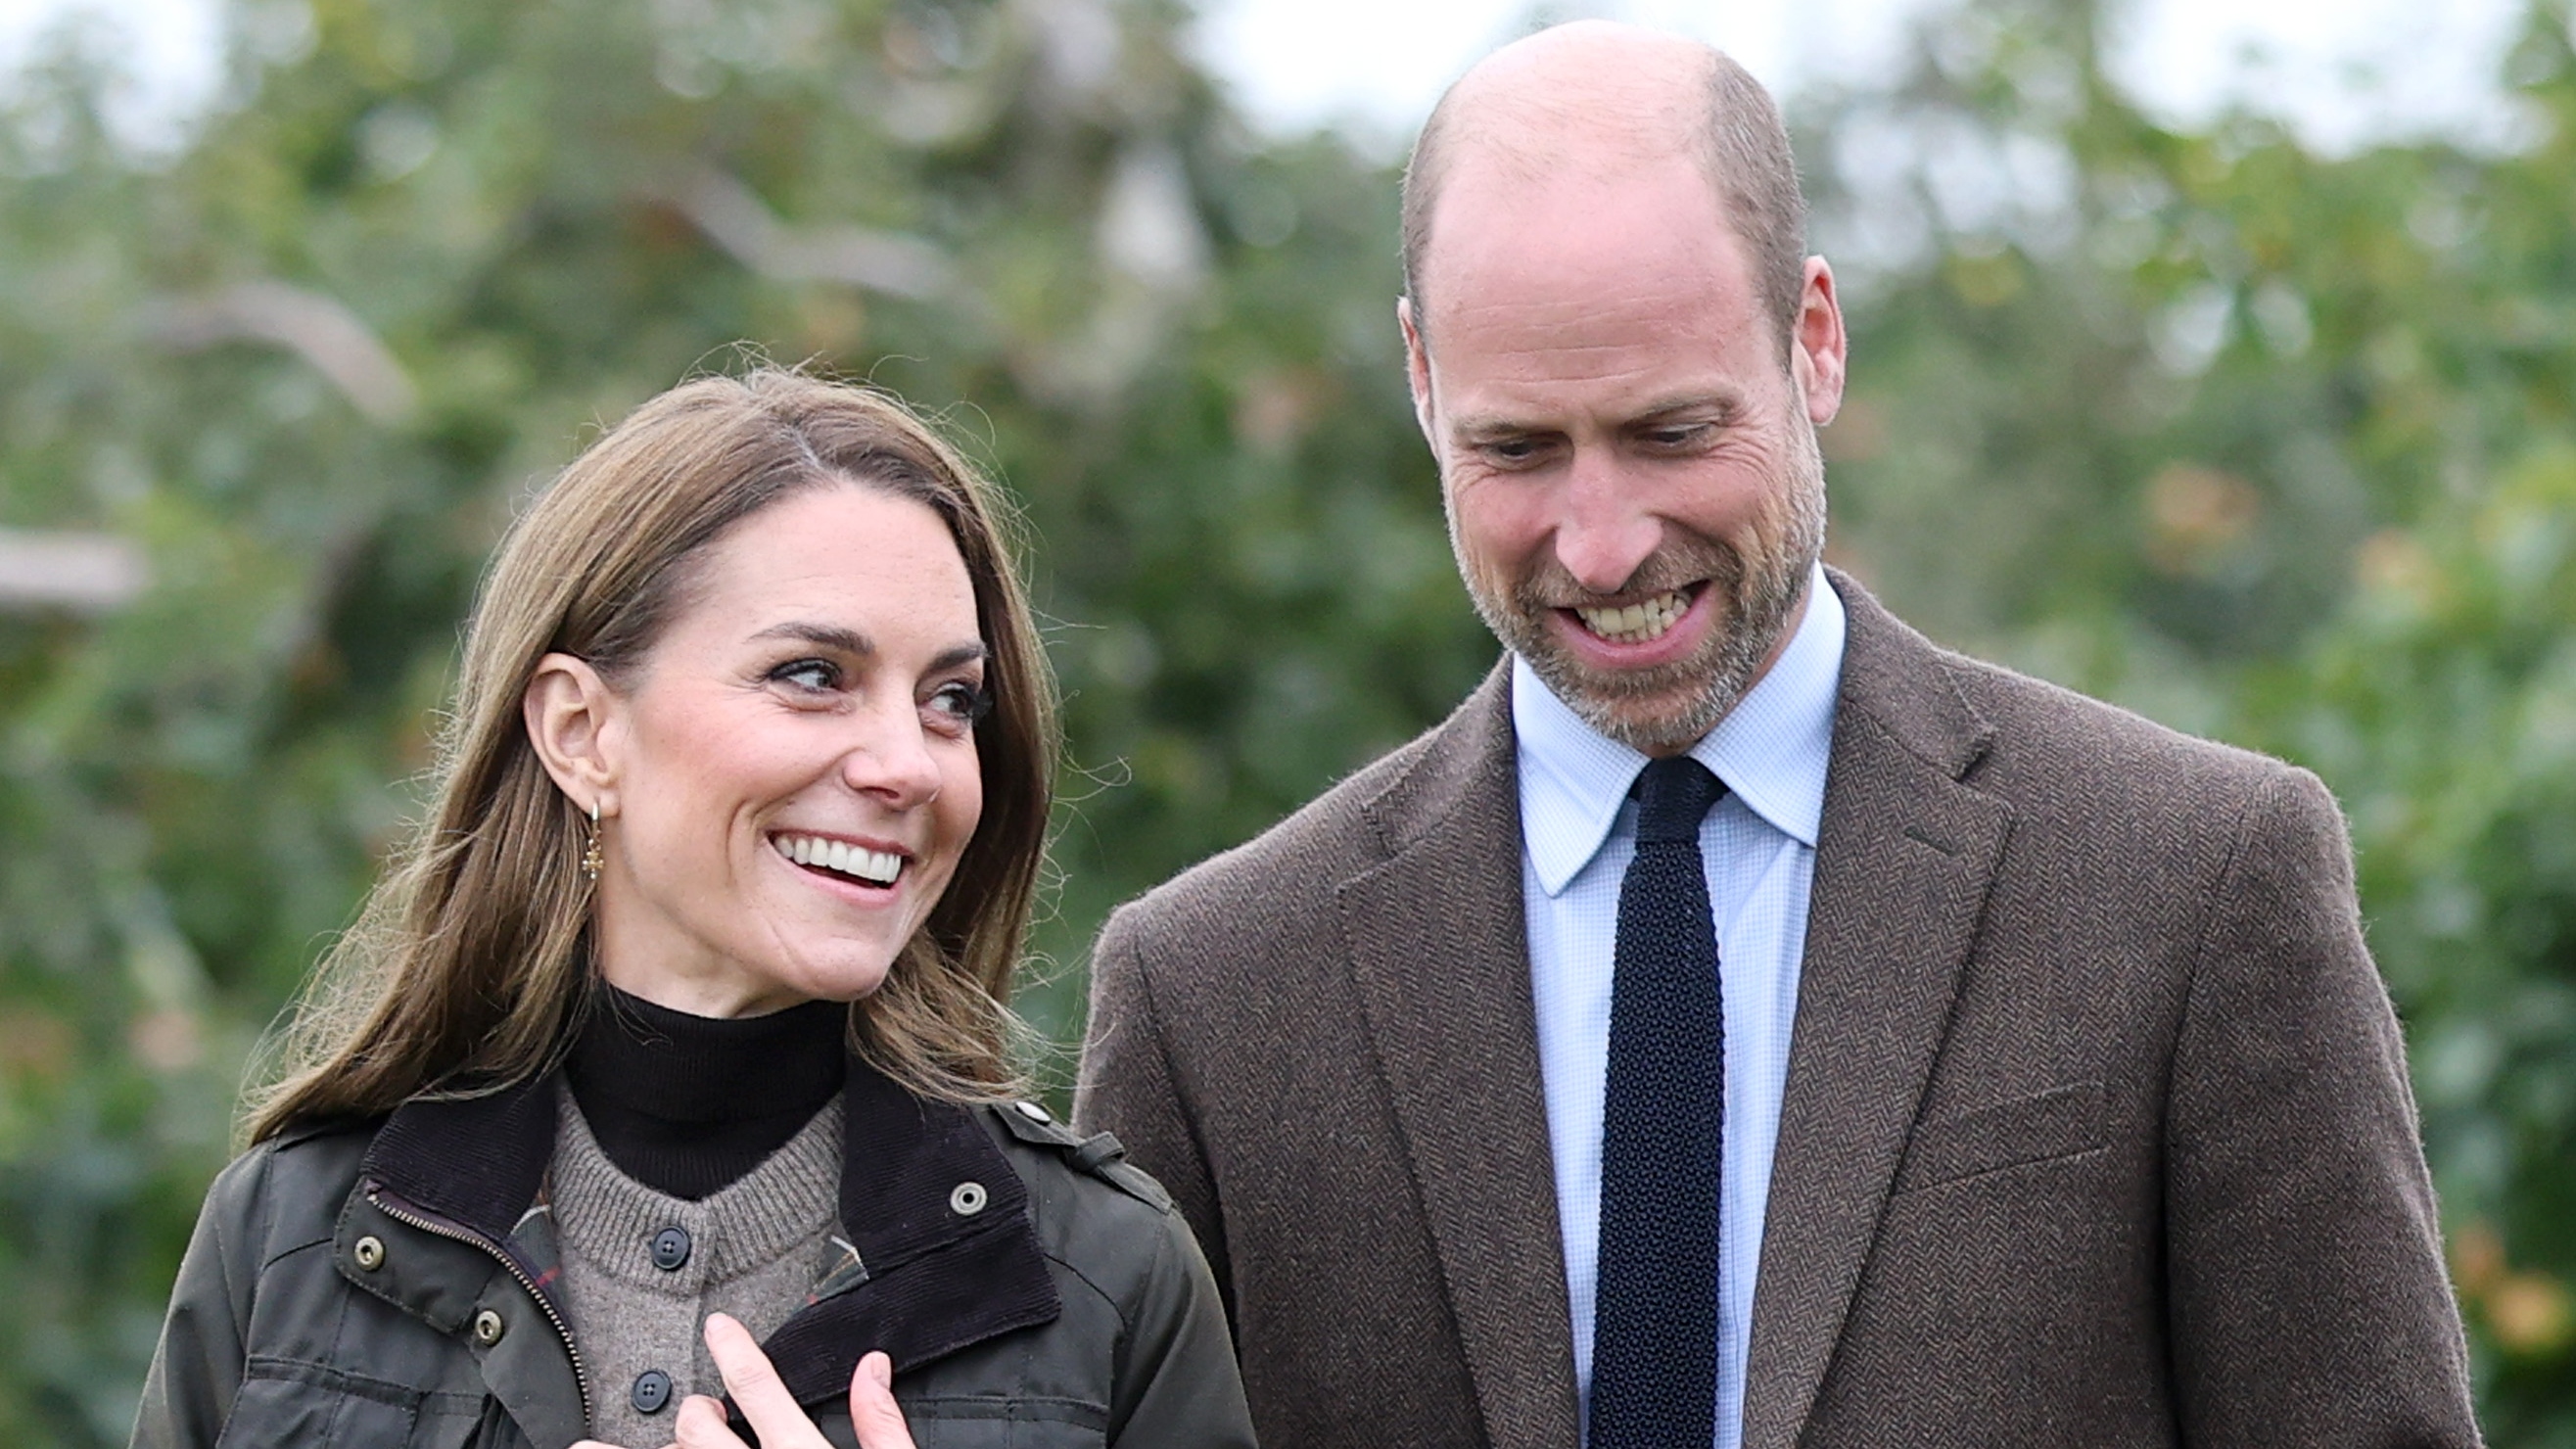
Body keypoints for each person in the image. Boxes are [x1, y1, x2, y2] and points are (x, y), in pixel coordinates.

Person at [1075, 21, 2480, 1449]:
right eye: (1516, 450)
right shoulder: (1209, 997)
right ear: (1421, 381)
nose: (1603, 542)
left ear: (1812, 341)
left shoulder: (2194, 884)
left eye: (1672, 431)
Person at [132, 370, 1255, 1449]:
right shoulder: (292, 1237)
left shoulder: (1109, 1277)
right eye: (813, 674)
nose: (909, 765)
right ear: (581, 732)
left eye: (949, 700)